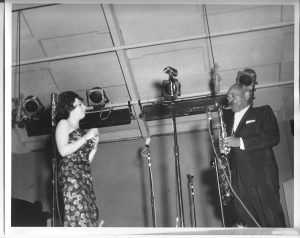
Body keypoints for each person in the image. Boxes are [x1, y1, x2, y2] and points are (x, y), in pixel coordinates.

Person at [222, 83, 286, 227]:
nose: (230, 99)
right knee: (249, 227)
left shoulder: (262, 112)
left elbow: (273, 137)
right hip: (238, 184)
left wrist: (241, 142)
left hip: (261, 178)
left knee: (272, 223)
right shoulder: (227, 124)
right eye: (228, 97)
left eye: (234, 95)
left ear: (247, 95)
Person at [55, 91, 100, 227]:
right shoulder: (64, 123)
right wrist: (85, 138)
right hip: (71, 178)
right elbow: (63, 151)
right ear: (69, 107)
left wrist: (94, 147)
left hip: (83, 179)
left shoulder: (80, 131)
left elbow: (85, 162)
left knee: (89, 217)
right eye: (80, 104)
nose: (85, 107)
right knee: (78, 217)